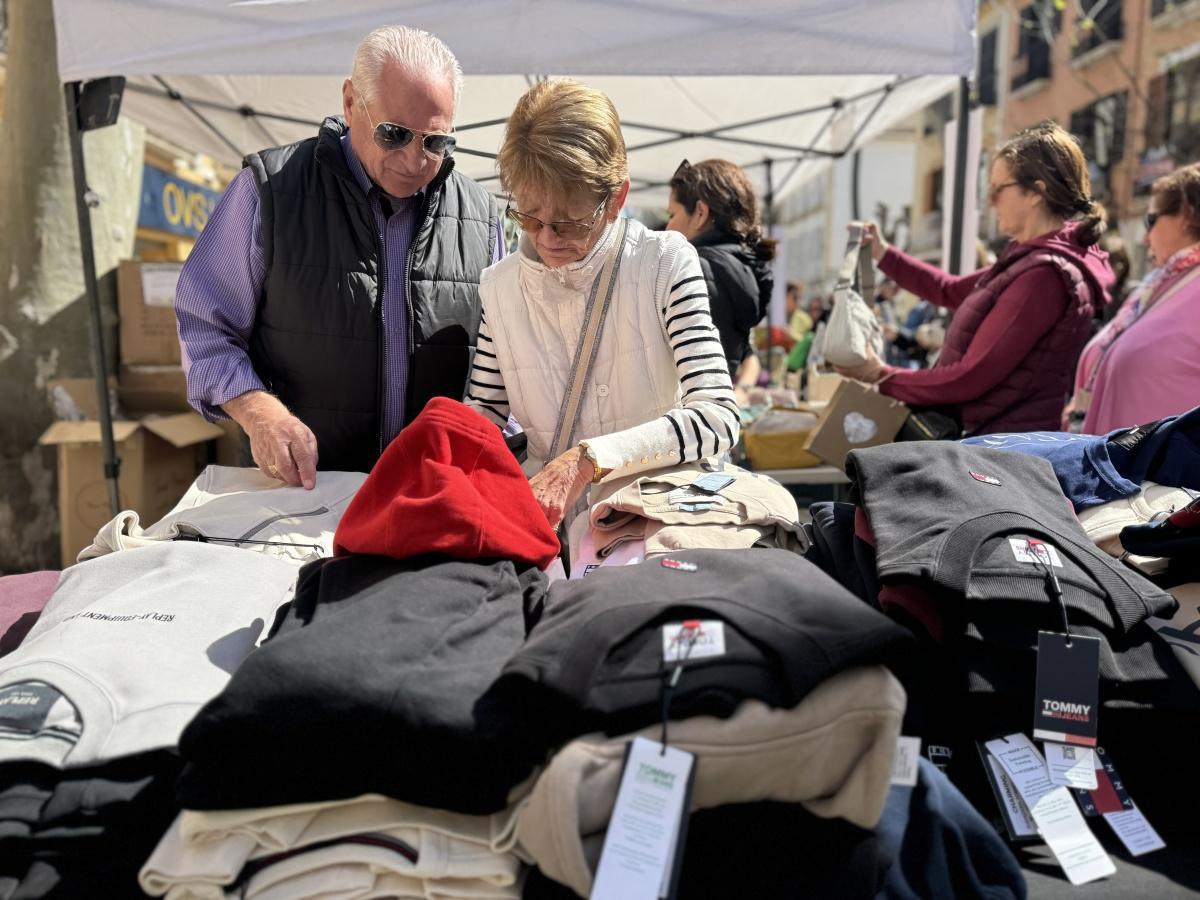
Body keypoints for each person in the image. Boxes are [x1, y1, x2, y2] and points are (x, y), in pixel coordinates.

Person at [175, 26, 501, 486]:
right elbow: (205, 327)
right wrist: (257, 410)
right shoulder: (271, 191)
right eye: (394, 134)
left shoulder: (482, 217)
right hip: (299, 495)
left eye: (434, 142)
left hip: (431, 496)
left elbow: (506, 366)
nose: (413, 161)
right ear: (350, 103)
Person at [465, 80, 740, 529]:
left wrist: (592, 458)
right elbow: (485, 416)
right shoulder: (499, 287)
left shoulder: (663, 262)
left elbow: (717, 417)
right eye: (529, 216)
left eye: (569, 222)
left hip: (649, 525)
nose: (547, 238)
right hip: (549, 534)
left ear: (617, 199)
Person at [835, 121, 1113, 436]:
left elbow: (970, 377)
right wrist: (883, 253)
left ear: (1036, 192)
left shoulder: (1044, 275)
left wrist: (881, 374)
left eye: (998, 189)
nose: (990, 201)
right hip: (994, 438)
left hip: (1000, 445)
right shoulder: (1030, 260)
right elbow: (949, 290)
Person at [1064, 163, 1200, 434]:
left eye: (1151, 220)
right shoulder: (1161, 283)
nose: (1146, 237)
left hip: (1162, 458)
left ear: (1186, 214)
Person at [666, 158, 776, 399]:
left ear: (700, 212)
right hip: (710, 414)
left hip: (679, 414)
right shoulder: (741, 273)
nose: (668, 227)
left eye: (672, 214)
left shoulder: (691, 269)